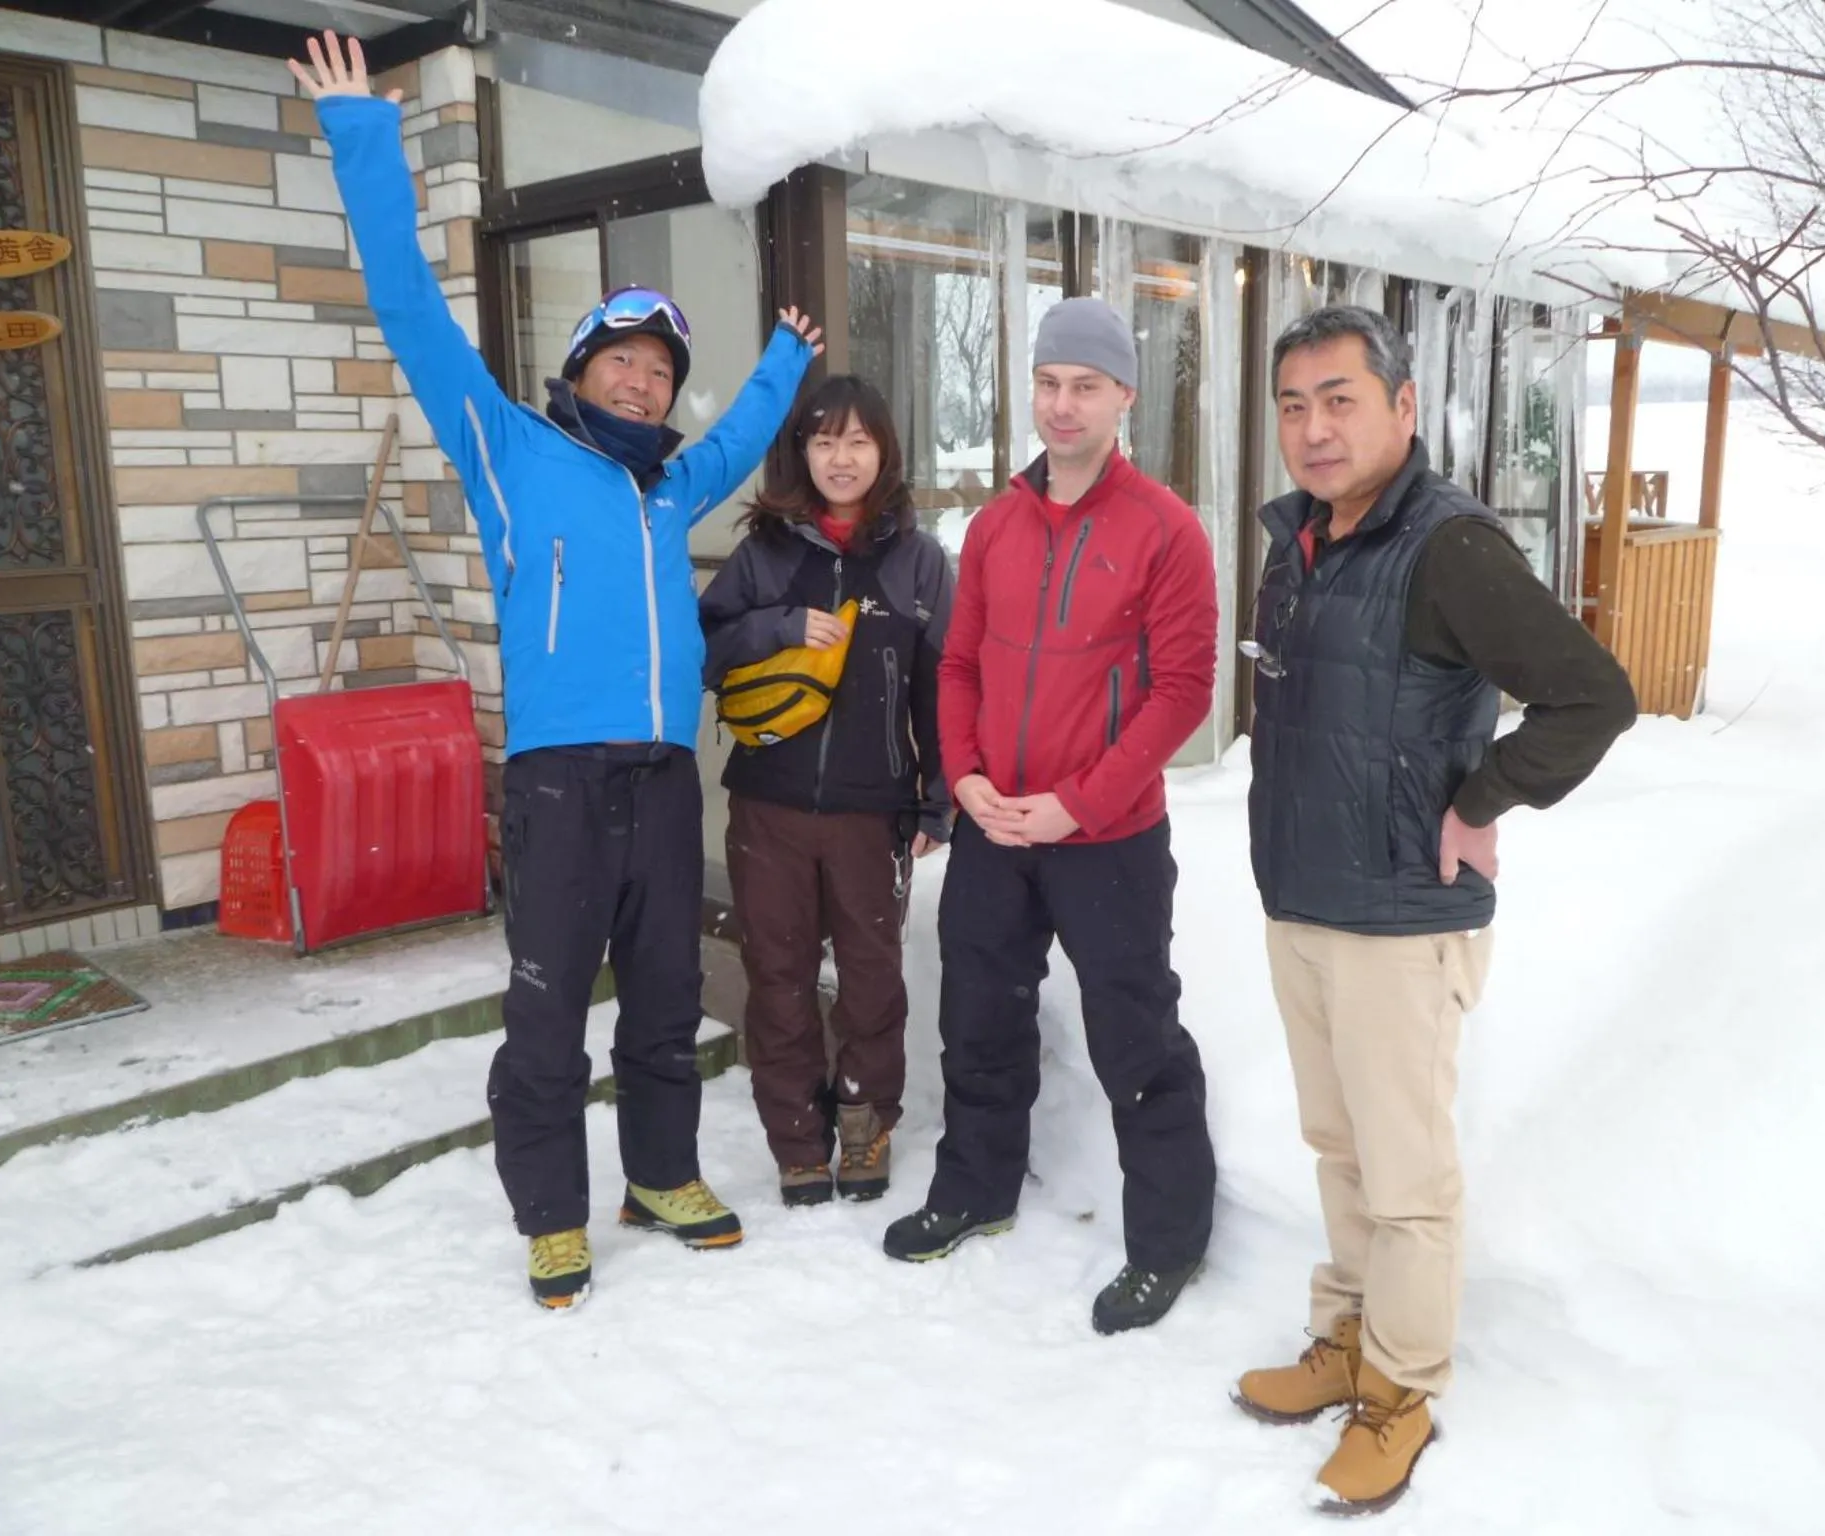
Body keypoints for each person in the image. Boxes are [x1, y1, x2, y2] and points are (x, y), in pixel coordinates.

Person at [291, 33, 823, 1311]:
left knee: (659, 993)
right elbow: (412, 307)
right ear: (580, 370)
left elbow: (744, 439)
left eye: (659, 375)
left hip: (654, 773)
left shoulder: (667, 485)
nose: (644, 384)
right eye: (622, 363)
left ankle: (658, 1177)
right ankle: (549, 1211)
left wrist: (786, 361)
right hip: (554, 781)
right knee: (545, 1012)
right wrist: (364, 140)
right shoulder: (509, 450)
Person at [1230, 305, 1637, 1513]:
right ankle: (1345, 1338)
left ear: (1403, 407)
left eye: (1340, 400)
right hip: (1302, 898)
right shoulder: (1295, 539)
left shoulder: (1448, 547)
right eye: (1293, 405)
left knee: (1404, 1177)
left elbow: (1589, 696)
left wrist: (1483, 800)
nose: (1313, 428)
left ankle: (1399, 1390)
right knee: (1339, 1149)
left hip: (1401, 919)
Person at [880, 297, 1219, 1338]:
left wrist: (1077, 806)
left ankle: (1163, 1242)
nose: (1061, 404)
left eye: (1084, 385)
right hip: (994, 826)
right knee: (978, 1018)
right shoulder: (992, 526)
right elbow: (961, 663)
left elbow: (1183, 690)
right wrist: (966, 779)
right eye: (1046, 383)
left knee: (1135, 1036)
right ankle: (975, 1188)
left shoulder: (1164, 529)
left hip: (1105, 840)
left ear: (1122, 397)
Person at [699, 375, 953, 1209]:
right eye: (822, 442)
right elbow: (702, 649)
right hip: (768, 806)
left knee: (874, 978)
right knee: (779, 975)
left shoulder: (917, 563)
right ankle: (797, 1138)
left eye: (857, 441)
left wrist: (936, 793)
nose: (840, 458)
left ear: (884, 450)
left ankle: (864, 1120)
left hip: (869, 812)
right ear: (801, 454)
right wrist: (774, 626)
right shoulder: (768, 551)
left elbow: (940, 686)